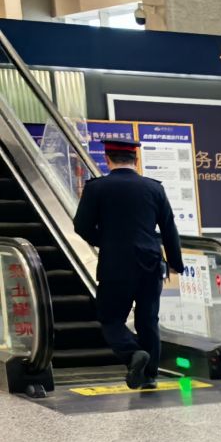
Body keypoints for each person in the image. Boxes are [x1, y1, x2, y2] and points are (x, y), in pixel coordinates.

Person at [72, 137, 184, 390]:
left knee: (111, 319)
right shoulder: (154, 188)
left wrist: (105, 241)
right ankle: (150, 375)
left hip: (115, 265)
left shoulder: (97, 188)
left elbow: (81, 226)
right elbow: (169, 228)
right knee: (148, 320)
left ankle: (133, 353)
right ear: (136, 159)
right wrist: (176, 263)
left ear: (107, 159)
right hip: (150, 263)